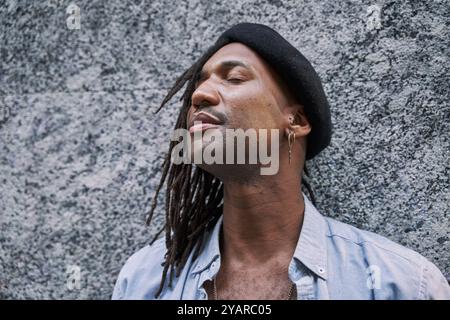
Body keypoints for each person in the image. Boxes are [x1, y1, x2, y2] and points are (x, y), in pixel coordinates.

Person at [112, 23, 450, 300]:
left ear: (297, 121)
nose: (199, 96)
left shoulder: (402, 284)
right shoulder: (144, 281)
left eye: (234, 78)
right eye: (200, 83)